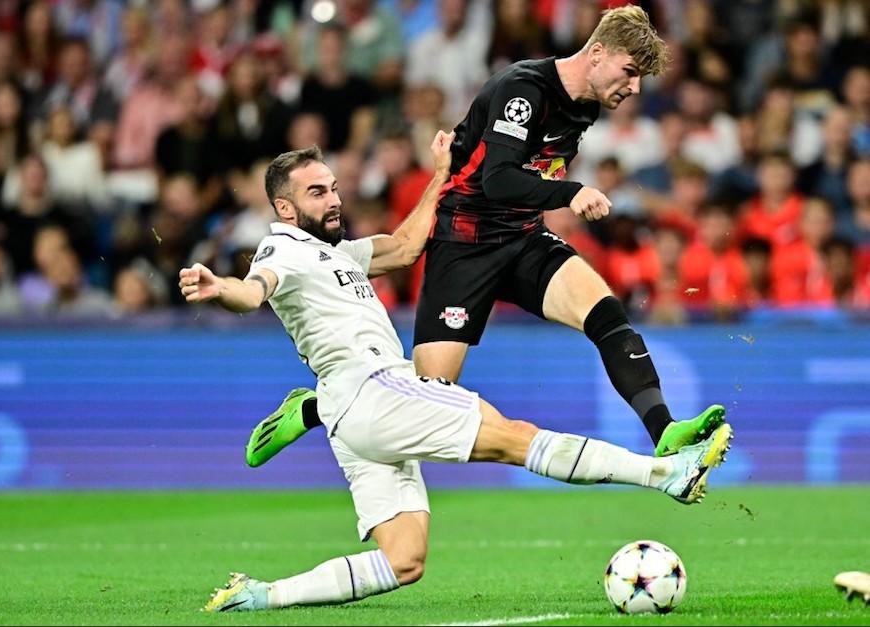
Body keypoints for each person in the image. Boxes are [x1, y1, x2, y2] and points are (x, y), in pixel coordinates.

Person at [180, 137, 733, 612]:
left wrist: (441, 175)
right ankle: (666, 475)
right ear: (285, 207)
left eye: (334, 187)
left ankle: (259, 594)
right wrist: (220, 288)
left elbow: (403, 246)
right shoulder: (284, 247)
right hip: (373, 390)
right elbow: (255, 289)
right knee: (510, 436)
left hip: (354, 419)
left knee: (403, 561)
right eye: (316, 192)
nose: (334, 199)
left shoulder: (339, 253)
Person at [247, 5, 724, 469]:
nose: (635, 87)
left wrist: (551, 196)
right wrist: (570, 193)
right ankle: (311, 409)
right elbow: (497, 179)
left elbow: (533, 173)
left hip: (522, 237)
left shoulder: (587, 106)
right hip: (463, 245)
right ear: (597, 52)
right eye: (630, 71)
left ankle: (665, 434)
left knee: (606, 314)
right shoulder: (524, 89)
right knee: (427, 400)